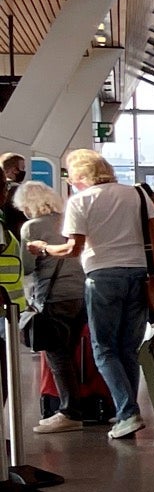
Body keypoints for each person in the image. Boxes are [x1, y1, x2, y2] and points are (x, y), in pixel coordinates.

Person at [31, 150, 154, 440]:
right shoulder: (135, 194)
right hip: (139, 275)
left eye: (72, 178)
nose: (72, 184)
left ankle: (127, 413)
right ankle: (125, 408)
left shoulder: (80, 201)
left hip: (102, 277)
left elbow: (74, 248)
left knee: (104, 349)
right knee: (128, 348)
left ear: (81, 177)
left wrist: (44, 248)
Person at [14, 181, 86, 432]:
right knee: (71, 353)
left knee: (57, 356)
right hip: (81, 294)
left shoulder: (31, 227)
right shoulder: (68, 220)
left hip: (52, 297)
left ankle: (69, 412)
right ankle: (76, 406)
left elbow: (28, 267)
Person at [0, 154, 29, 240]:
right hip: (17, 237)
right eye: (22, 168)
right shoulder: (20, 190)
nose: (23, 171)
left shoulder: (3, 189)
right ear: (14, 170)